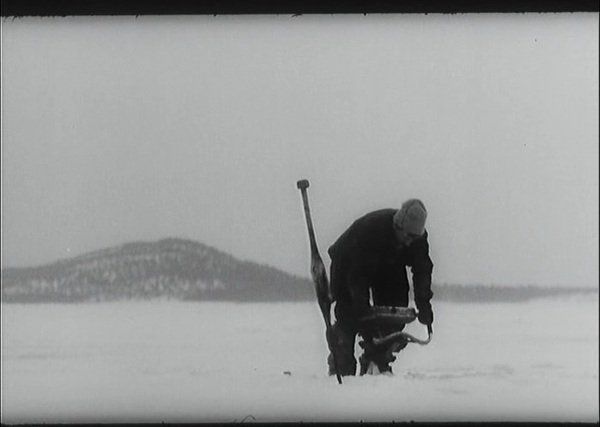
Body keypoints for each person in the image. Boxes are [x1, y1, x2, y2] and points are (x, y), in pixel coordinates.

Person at [327, 199, 434, 376]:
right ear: (397, 226)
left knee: (395, 310)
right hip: (347, 262)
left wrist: (424, 305)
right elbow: (357, 277)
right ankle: (341, 360)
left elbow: (423, 270)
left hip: (387, 265)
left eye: (414, 237)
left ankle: (378, 357)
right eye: (407, 236)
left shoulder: (417, 239)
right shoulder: (372, 232)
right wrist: (361, 309)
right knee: (349, 315)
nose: (410, 242)